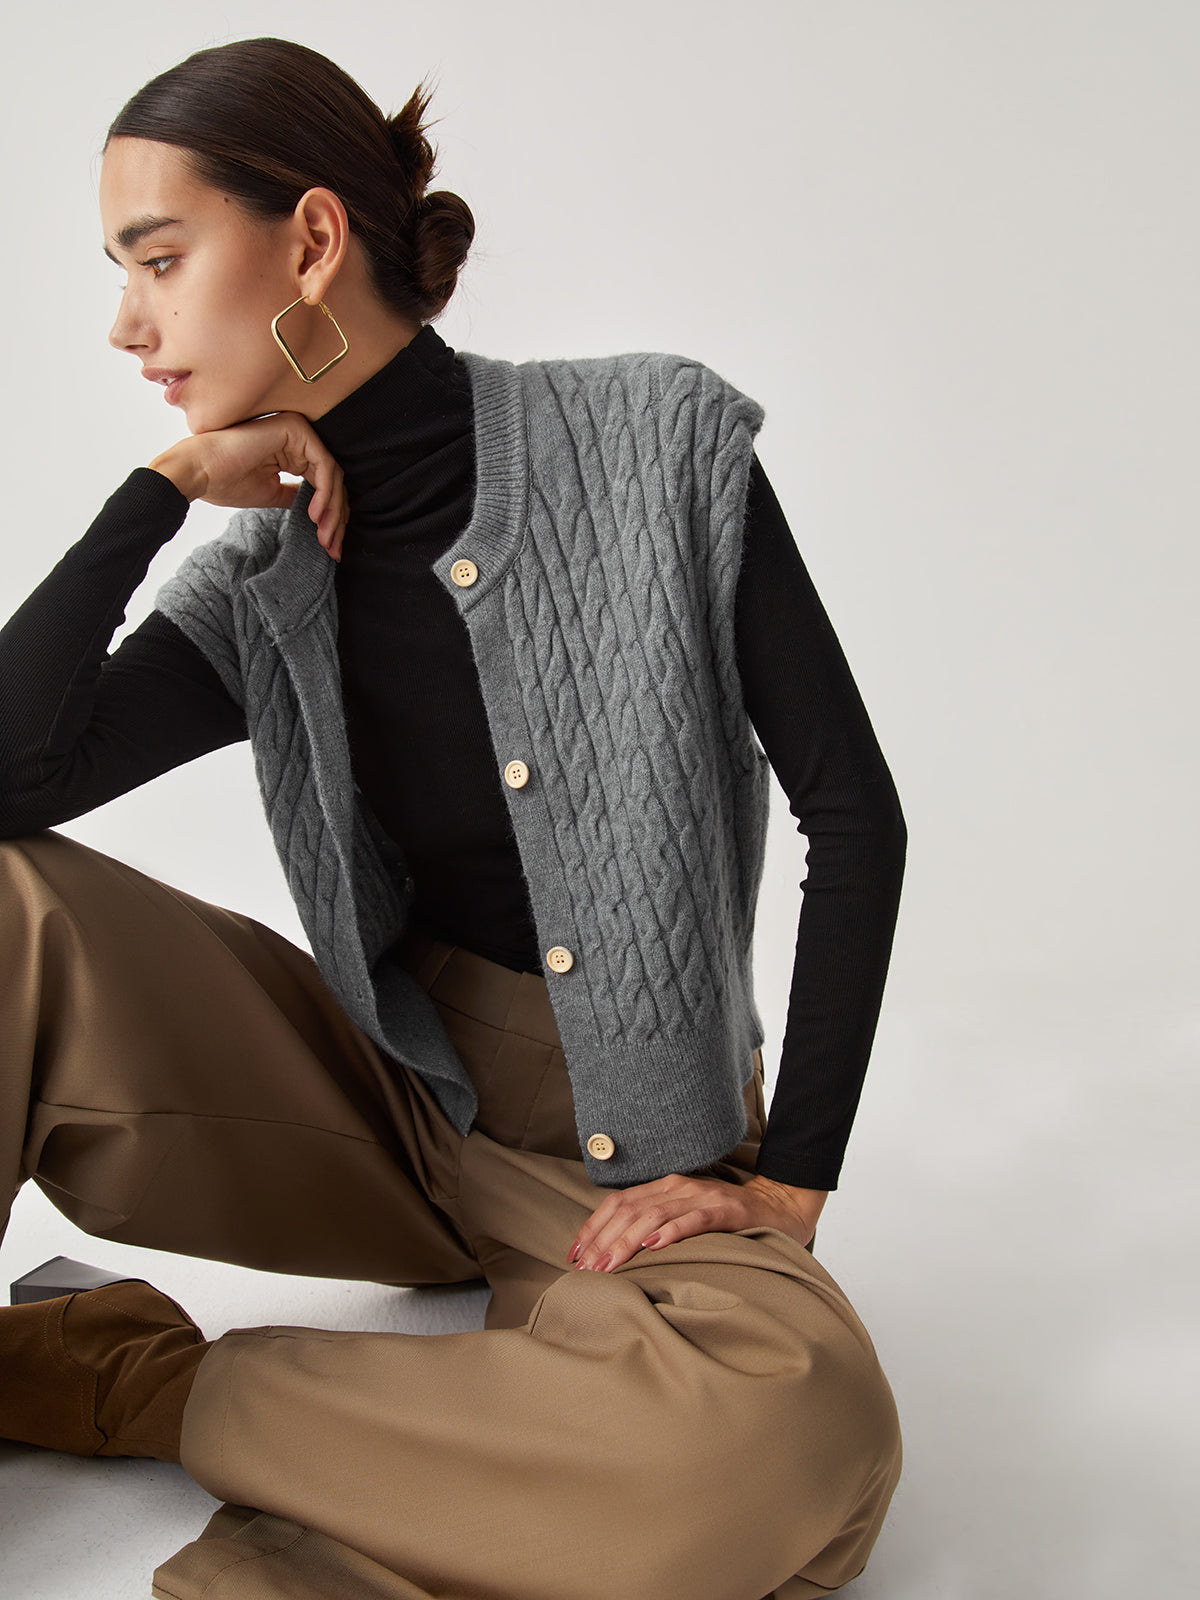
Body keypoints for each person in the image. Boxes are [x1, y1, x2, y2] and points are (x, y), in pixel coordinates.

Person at [0, 35, 908, 1600]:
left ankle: (130, 1381)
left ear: (311, 241)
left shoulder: (656, 448)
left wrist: (788, 1182)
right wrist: (160, 491)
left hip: (624, 1171)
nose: (128, 323)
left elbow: (856, 814)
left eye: (158, 259)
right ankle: (466, 1458)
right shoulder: (262, 580)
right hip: (383, 1109)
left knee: (794, 1432)